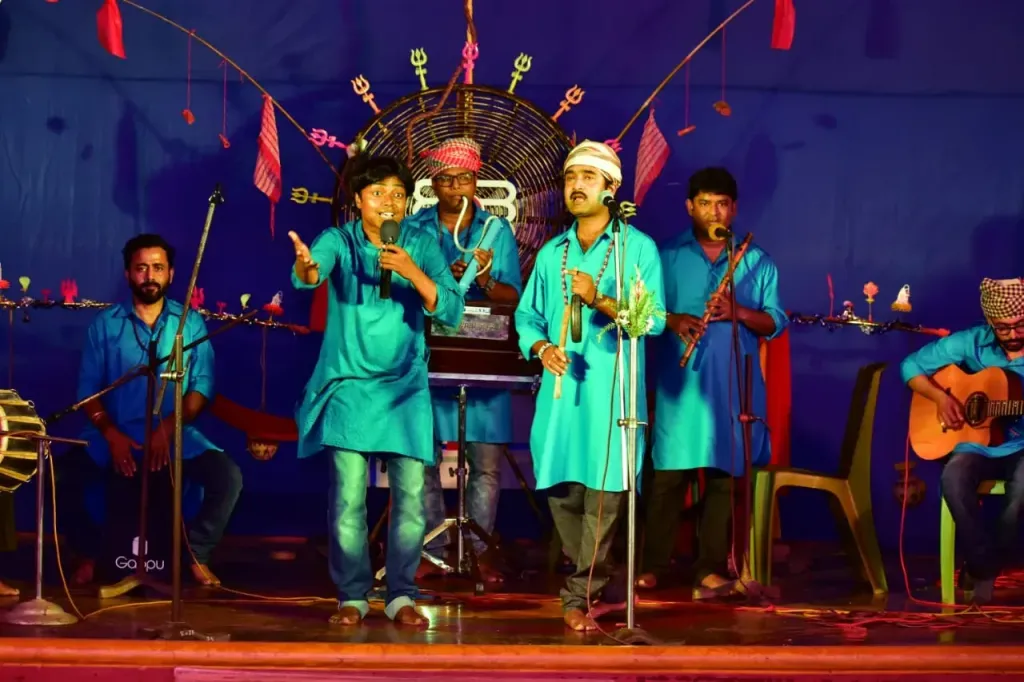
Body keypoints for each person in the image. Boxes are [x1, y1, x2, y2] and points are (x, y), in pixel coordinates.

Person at [288, 153, 464, 627]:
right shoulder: (339, 239)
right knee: (348, 499)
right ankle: (352, 596)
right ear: (358, 199)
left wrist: (412, 271)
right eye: (379, 193)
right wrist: (307, 268)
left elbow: (451, 309)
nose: (390, 202)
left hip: (405, 386)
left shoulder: (421, 243)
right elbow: (312, 273)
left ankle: (401, 595)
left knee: (410, 501)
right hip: (349, 384)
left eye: (398, 194)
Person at [514, 140, 665, 631]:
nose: (576, 186)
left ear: (611, 187)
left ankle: (578, 595)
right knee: (562, 490)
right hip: (561, 399)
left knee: (605, 497)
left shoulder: (636, 249)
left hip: (611, 397)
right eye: (570, 177)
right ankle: (598, 579)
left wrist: (599, 298)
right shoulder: (552, 253)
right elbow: (527, 316)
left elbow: (653, 321)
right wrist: (541, 348)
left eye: (587, 177)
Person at [59, 234, 243, 587]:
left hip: (175, 433)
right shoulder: (106, 324)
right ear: (128, 274)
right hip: (112, 433)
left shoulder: (189, 324)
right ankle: (87, 554)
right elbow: (87, 391)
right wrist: (112, 436)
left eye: (158, 268)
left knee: (228, 478)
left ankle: (197, 554)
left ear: (171, 274)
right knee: (59, 478)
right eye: (141, 268)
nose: (150, 276)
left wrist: (168, 429)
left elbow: (201, 388)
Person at [646, 168, 787, 598]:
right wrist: (673, 319)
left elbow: (776, 322)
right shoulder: (665, 255)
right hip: (680, 387)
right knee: (669, 477)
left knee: (725, 478)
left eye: (722, 204)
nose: (714, 212)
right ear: (690, 207)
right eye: (705, 203)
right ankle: (652, 565)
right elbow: (643, 310)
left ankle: (707, 569)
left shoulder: (756, 260)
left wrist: (737, 312)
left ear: (734, 209)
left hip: (732, 388)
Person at [404, 137, 522, 582]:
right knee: (422, 457)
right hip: (428, 355)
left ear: (476, 181)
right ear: (433, 184)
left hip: (485, 358)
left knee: (486, 464)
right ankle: (433, 550)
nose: (455, 187)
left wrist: (485, 280)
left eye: (464, 179)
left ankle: (479, 552)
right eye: (446, 179)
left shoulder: (497, 230)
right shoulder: (414, 228)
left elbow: (513, 298)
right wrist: (438, 281)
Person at [901, 277, 1024, 604]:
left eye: (1020, 325)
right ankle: (985, 564)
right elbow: (910, 366)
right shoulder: (972, 341)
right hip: (977, 445)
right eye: (1004, 328)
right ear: (990, 322)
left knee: (1022, 489)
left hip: (1021, 448)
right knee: (953, 479)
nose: (1014, 334)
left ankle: (980, 567)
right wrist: (941, 398)